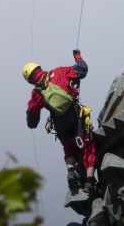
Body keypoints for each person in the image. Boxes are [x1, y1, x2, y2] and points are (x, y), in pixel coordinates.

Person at [23, 50, 96, 191]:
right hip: (74, 116)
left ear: (30, 80)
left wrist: (34, 110)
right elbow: (82, 70)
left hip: (60, 124)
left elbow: (32, 122)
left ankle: (70, 171)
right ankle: (90, 180)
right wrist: (78, 57)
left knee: (68, 148)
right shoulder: (60, 72)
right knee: (88, 144)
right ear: (39, 68)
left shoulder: (36, 92)